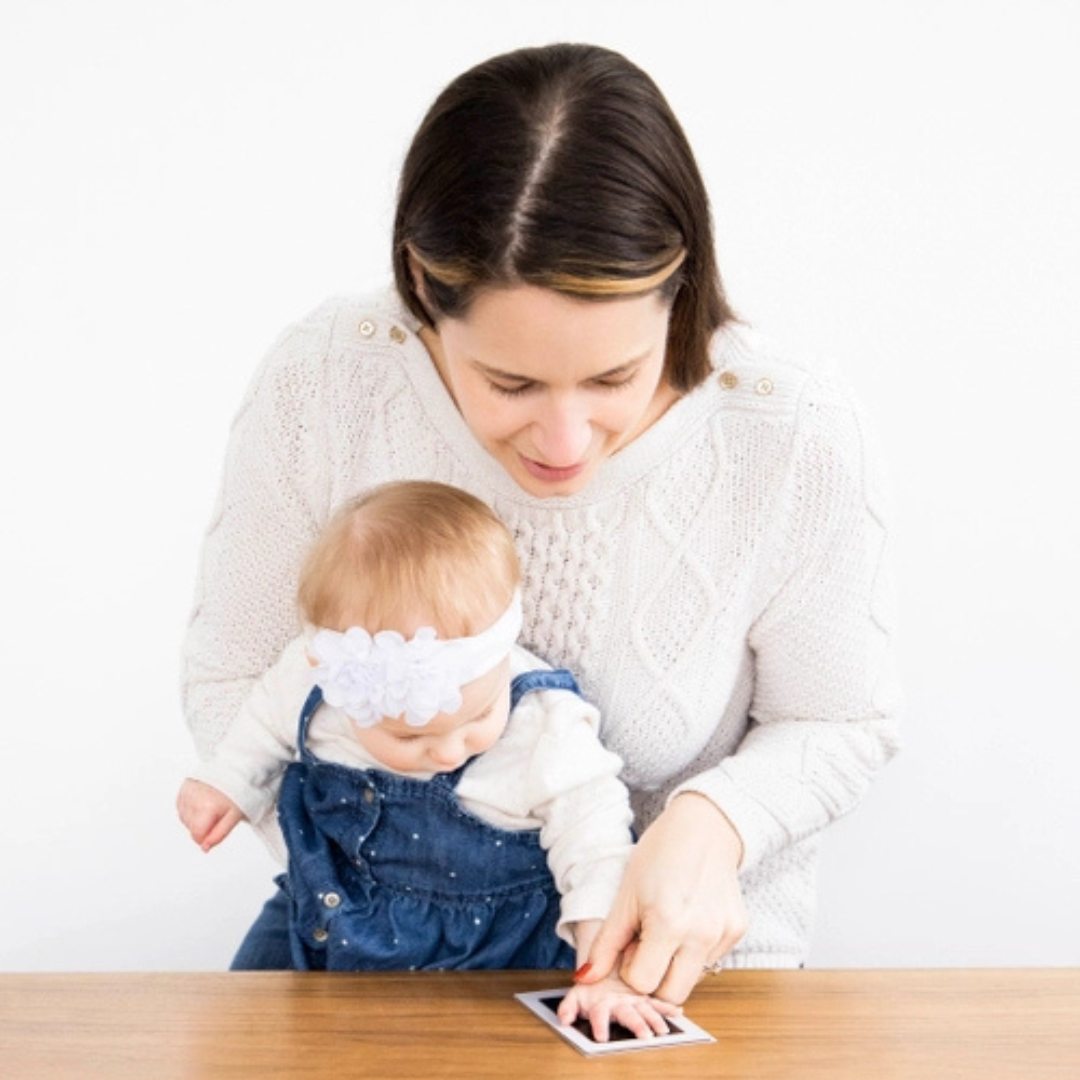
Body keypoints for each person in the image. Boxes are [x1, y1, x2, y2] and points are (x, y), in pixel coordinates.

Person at [181, 42, 901, 1005]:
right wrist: (401, 877)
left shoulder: (787, 429)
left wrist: (715, 822)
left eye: (613, 377)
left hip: (677, 978)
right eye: (508, 382)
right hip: (367, 960)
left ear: (678, 291)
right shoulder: (329, 382)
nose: (564, 441)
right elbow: (239, 677)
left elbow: (841, 717)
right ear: (423, 295)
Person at [178, 480, 679, 1040]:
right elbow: (264, 723)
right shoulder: (317, 673)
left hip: (491, 953)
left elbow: (597, 846)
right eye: (409, 738)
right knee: (239, 1031)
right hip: (323, 916)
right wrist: (226, 782)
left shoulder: (545, 725)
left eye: (476, 718)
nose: (446, 750)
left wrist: (604, 970)